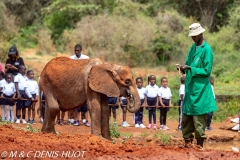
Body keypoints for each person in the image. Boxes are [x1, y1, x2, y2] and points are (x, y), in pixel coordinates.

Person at [179, 23, 217, 148]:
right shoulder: (192, 48)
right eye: (192, 36)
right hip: (190, 89)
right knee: (187, 116)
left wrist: (192, 69)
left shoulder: (207, 50)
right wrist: (183, 68)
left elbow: (207, 71)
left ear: (201, 33)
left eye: (195, 36)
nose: (193, 38)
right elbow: (187, 63)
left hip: (200, 90)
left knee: (198, 118)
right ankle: (187, 144)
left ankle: (199, 145)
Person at [69, 44, 90, 126]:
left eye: (78, 50)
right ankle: (76, 120)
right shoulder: (71, 58)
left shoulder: (86, 58)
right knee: (76, 103)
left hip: (83, 82)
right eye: (75, 50)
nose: (76, 52)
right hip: (74, 82)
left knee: (85, 103)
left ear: (81, 50)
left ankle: (85, 120)